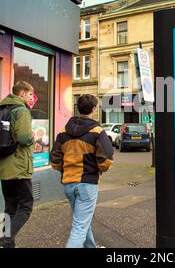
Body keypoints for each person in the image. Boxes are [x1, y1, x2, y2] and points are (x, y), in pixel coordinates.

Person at [51, 94, 113, 248]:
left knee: (82, 220)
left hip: (68, 183)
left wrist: (65, 171)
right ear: (93, 109)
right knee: (79, 226)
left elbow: (55, 160)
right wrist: (99, 170)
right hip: (87, 183)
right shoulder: (97, 131)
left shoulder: (63, 131)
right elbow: (106, 159)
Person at [0, 81, 35, 248]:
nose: (32, 98)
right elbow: (24, 138)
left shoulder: (3, 110)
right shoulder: (21, 111)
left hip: (3, 165)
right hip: (18, 166)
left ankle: (7, 245)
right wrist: (33, 136)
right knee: (25, 207)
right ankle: (3, 242)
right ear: (22, 94)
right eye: (30, 94)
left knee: (11, 208)